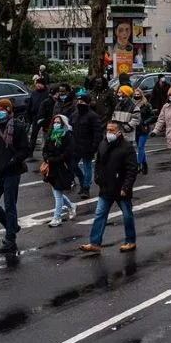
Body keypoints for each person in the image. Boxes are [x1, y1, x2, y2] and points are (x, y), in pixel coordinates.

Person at [79, 121, 138, 253]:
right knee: (100, 214)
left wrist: (126, 187)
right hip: (106, 187)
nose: (109, 132)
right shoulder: (103, 143)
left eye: (112, 130)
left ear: (119, 132)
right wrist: (98, 177)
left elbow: (132, 169)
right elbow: (98, 162)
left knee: (127, 215)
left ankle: (130, 241)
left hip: (121, 187)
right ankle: (95, 243)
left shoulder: (126, 147)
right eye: (108, 130)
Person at [0, 99, 31, 254]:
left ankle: (10, 239)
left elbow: (25, 150)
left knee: (9, 205)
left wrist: (13, 161)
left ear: (10, 111)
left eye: (3, 109)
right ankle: (12, 226)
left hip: (11, 172)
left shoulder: (17, 127)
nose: (0, 111)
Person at [42, 114, 77, 227]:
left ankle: (57, 217)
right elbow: (45, 149)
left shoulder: (67, 135)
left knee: (57, 193)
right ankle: (71, 206)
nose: (56, 124)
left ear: (63, 124)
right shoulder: (51, 135)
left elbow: (68, 153)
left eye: (59, 122)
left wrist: (54, 159)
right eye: (55, 122)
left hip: (63, 168)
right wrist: (47, 158)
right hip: (52, 167)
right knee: (57, 192)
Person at [69, 89, 103, 199]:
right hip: (75, 146)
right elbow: (69, 128)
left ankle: (86, 188)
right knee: (73, 166)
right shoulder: (74, 114)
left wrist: (94, 146)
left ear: (87, 103)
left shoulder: (93, 116)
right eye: (78, 101)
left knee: (87, 166)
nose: (79, 103)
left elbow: (98, 133)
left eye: (82, 102)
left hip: (87, 146)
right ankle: (82, 180)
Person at [134, 88, 155, 174]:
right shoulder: (131, 104)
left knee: (140, 146)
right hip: (135, 128)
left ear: (141, 95)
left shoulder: (146, 105)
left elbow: (153, 116)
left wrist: (145, 122)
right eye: (135, 95)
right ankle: (144, 163)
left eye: (138, 95)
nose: (136, 96)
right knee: (140, 147)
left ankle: (138, 164)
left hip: (143, 128)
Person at [28, 78, 49, 148]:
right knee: (33, 135)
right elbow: (30, 104)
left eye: (39, 84)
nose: (37, 85)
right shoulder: (34, 93)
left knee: (46, 135)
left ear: (43, 84)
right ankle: (30, 153)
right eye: (36, 83)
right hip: (35, 116)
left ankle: (46, 153)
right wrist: (28, 114)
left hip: (45, 117)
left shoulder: (47, 93)